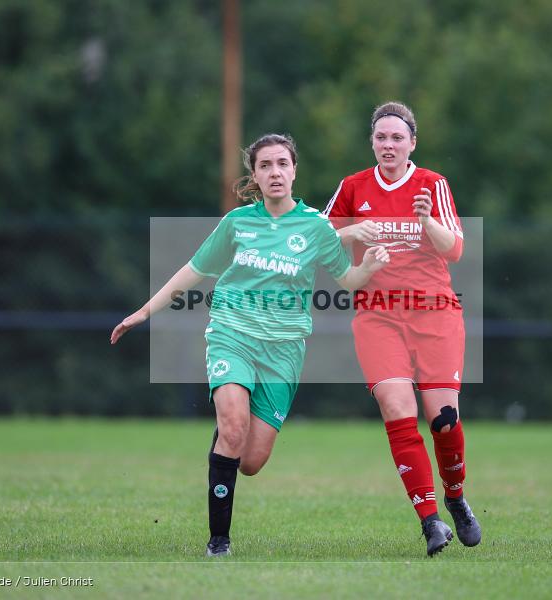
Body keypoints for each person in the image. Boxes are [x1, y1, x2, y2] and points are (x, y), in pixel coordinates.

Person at [111, 133, 389, 557]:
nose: (275, 172)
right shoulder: (237, 223)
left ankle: (227, 437)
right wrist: (145, 312)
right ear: (254, 175)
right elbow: (194, 270)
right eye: (265, 166)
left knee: (252, 461)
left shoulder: (317, 227)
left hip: (284, 351)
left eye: (282, 164)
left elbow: (347, 282)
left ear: (295, 170)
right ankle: (218, 542)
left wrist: (366, 266)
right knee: (235, 429)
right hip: (232, 336)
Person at [323, 102, 481, 556]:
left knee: (444, 422)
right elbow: (316, 238)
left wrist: (426, 220)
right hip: (377, 315)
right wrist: (356, 232)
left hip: (435, 313)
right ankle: (431, 522)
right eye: (380, 137)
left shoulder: (433, 184)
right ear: (372, 141)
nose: (388, 145)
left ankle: (455, 497)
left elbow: (455, 250)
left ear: (412, 142)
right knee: (397, 410)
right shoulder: (353, 187)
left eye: (397, 137)